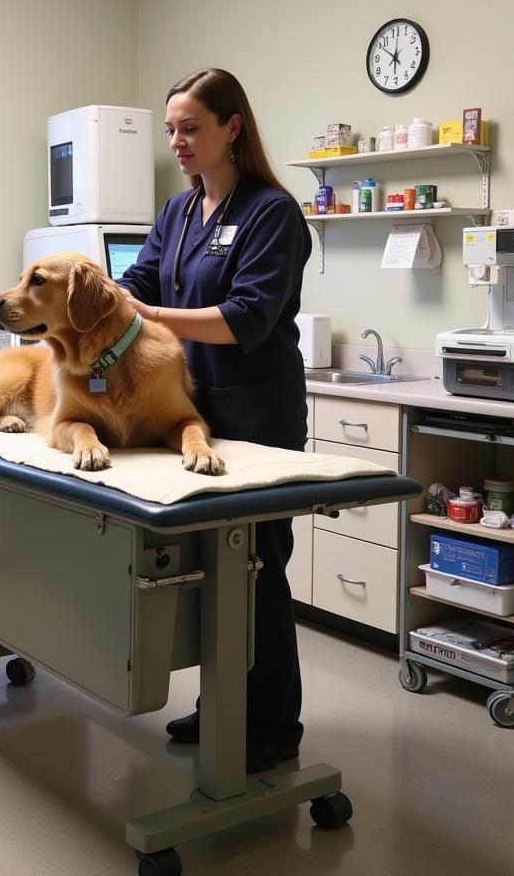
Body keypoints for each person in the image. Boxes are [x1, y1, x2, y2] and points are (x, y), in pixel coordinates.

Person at [119, 67, 310, 775]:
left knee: (257, 569)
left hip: (256, 413)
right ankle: (223, 700)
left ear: (233, 127)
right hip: (190, 412)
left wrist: (150, 316)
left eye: (191, 128)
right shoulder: (177, 211)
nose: (178, 141)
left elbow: (247, 318)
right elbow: (138, 280)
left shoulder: (271, 213)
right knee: (209, 567)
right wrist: (95, 291)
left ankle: (273, 725)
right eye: (171, 129)